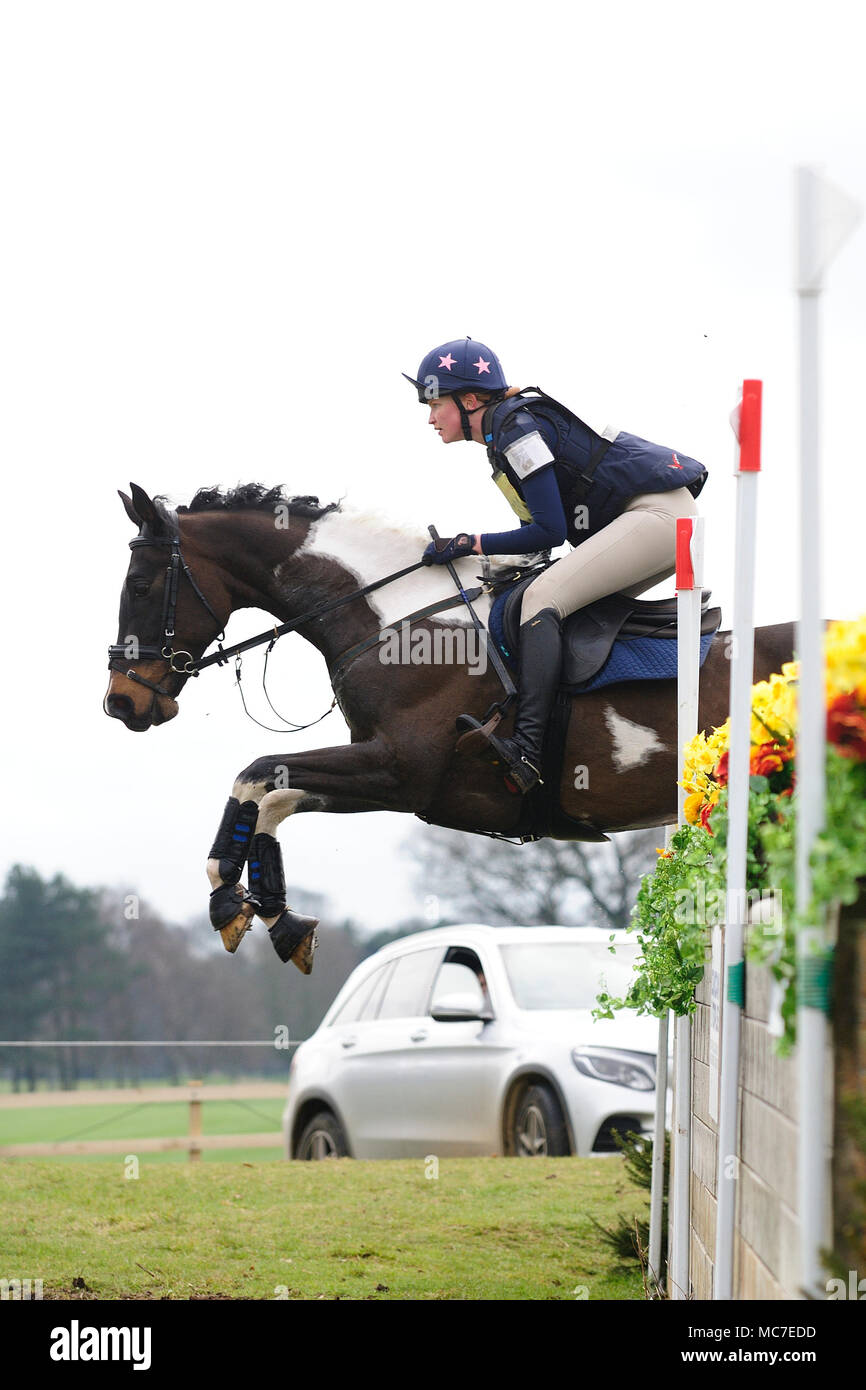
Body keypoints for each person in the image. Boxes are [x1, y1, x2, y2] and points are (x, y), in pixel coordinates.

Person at [404, 337, 708, 794]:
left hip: (660, 518)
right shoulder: (503, 436)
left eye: (434, 404)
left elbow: (547, 531)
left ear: (469, 401)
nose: (429, 418)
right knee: (556, 601)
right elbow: (539, 535)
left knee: (542, 600)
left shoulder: (515, 430)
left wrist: (469, 543)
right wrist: (479, 552)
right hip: (655, 520)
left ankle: (528, 750)